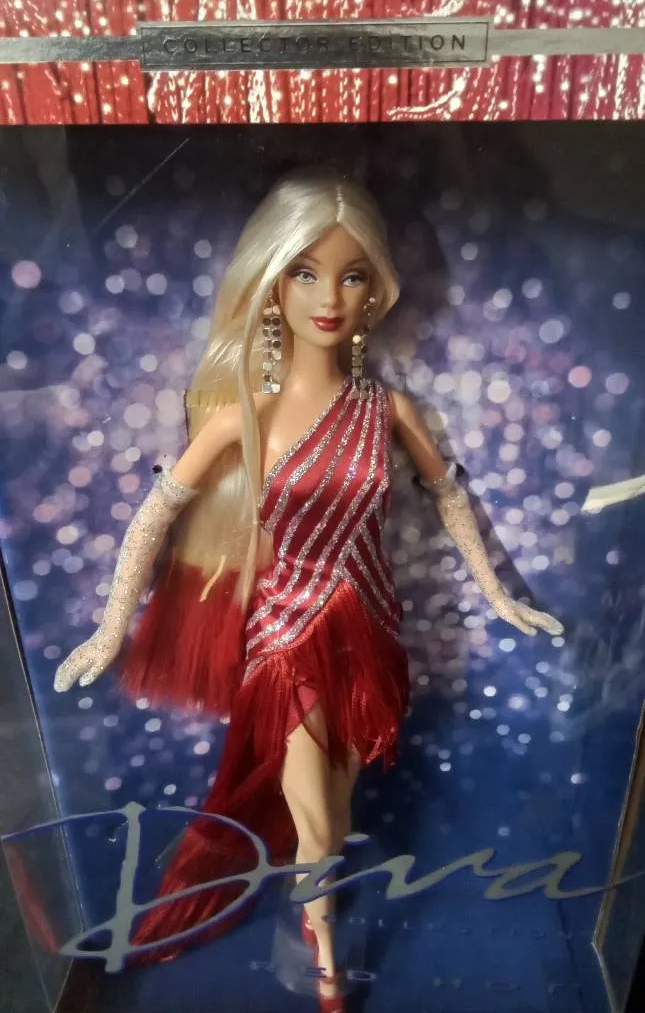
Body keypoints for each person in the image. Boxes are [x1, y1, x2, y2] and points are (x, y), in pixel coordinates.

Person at [54, 169, 562, 1012]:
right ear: (272, 282)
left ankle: (307, 896)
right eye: (304, 272)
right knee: (317, 817)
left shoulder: (389, 410)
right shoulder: (242, 417)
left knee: (337, 798)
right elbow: (153, 517)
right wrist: (112, 629)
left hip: (370, 628)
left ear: (375, 288)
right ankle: (325, 958)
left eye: (351, 275)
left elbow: (449, 497)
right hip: (286, 637)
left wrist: (499, 594)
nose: (328, 297)